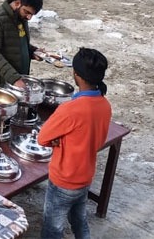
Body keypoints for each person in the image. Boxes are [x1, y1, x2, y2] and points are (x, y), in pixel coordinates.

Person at [38, 48, 112, 239]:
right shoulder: (104, 105)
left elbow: (42, 138)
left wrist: (59, 139)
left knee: (52, 229)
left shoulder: (71, 109)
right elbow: (97, 138)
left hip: (64, 179)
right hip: (85, 176)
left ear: (76, 75)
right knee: (79, 220)